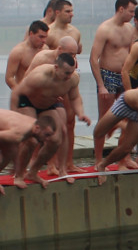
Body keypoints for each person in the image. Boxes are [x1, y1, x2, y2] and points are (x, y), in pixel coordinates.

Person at [10, 53, 91, 186]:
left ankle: (34, 171)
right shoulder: (39, 77)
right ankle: (19, 175)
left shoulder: (73, 79)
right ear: (56, 68)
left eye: (72, 72)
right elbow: (16, 93)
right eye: (66, 73)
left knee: (55, 139)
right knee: (31, 140)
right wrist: (15, 117)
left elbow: (75, 97)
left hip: (47, 104)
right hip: (27, 101)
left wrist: (80, 113)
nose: (69, 76)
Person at [89, 0, 138, 118]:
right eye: (131, 11)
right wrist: (101, 85)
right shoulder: (105, 29)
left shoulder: (130, 29)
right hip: (108, 75)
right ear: (121, 9)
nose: (133, 15)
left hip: (125, 74)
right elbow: (94, 59)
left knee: (128, 114)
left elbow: (133, 54)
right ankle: (102, 136)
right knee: (105, 116)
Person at [0, 110, 57, 195]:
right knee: (9, 151)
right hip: (9, 132)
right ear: (37, 128)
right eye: (46, 135)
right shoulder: (18, 134)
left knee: (32, 142)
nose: (47, 139)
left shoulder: (33, 124)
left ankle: (24, 176)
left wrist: (16, 166)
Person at [5, 20, 49, 90]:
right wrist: (20, 93)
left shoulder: (45, 49)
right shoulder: (18, 52)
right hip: (25, 92)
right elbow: (9, 78)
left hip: (42, 94)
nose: (44, 40)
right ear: (31, 34)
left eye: (45, 37)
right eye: (41, 37)